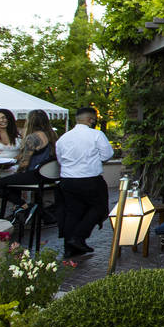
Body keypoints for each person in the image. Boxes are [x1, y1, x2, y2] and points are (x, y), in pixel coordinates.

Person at [55, 107, 114, 258]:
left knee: (72, 213)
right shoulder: (96, 134)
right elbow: (107, 154)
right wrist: (93, 162)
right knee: (99, 208)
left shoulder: (63, 138)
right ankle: (78, 237)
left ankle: (70, 248)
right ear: (91, 119)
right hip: (90, 179)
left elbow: (60, 160)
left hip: (67, 180)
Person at [0, 109, 59, 223]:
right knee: (12, 182)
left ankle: (25, 206)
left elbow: (24, 163)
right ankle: (33, 212)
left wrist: (15, 171)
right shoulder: (52, 135)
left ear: (30, 121)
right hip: (50, 175)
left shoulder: (32, 138)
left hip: (35, 175)